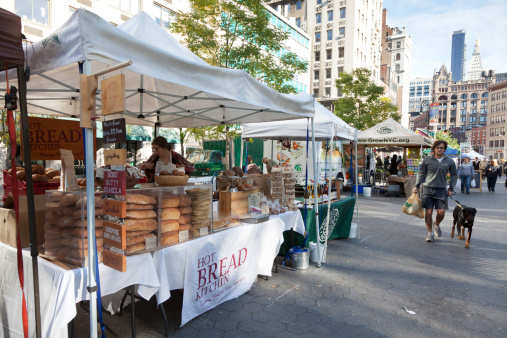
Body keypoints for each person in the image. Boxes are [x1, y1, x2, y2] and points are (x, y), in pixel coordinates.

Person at [414, 140, 457, 242]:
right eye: (438, 147)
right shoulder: (427, 160)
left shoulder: (449, 161)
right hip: (428, 189)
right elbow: (421, 173)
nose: (439, 149)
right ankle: (429, 233)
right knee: (428, 213)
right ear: (434, 149)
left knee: (441, 213)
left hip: (442, 190)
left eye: (441, 148)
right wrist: (416, 185)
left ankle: (436, 224)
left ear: (444, 149)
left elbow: (454, 175)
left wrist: (451, 188)